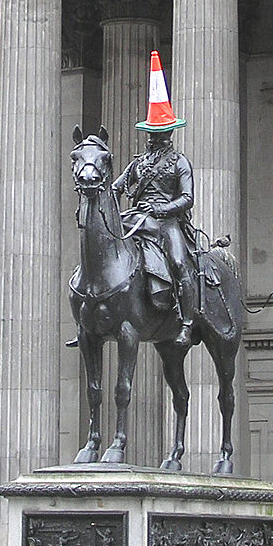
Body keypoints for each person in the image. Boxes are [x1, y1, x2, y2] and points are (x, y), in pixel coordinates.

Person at [112, 50, 196, 349]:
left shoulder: (179, 162)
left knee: (178, 261)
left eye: (158, 131)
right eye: (151, 131)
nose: (153, 137)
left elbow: (187, 198)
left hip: (166, 222)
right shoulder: (137, 162)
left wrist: (161, 209)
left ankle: (186, 322)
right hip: (136, 219)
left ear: (169, 132)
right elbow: (117, 187)